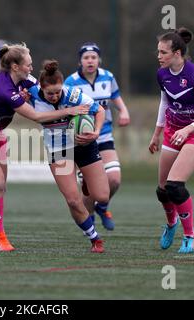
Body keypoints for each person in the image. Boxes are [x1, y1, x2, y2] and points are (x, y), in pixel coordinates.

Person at [0, 43, 90, 252]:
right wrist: (71, 110)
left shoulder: (25, 80)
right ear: (15, 67)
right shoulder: (4, 88)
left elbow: (45, 93)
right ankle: (0, 237)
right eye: (28, 64)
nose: (31, 67)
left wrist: (74, 104)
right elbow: (36, 116)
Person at [149, 27, 194, 254]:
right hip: (173, 131)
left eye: (163, 52)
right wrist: (156, 133)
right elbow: (165, 102)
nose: (158, 56)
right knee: (162, 191)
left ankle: (190, 236)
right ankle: (171, 224)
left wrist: (189, 128)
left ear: (177, 53)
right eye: (158, 52)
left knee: (175, 186)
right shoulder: (162, 74)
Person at [29, 59, 110, 253]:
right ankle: (94, 238)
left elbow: (99, 110)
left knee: (102, 196)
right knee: (73, 200)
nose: (55, 96)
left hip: (84, 145)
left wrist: (97, 131)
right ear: (41, 88)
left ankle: (84, 178)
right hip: (58, 150)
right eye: (50, 93)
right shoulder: (31, 94)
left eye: (58, 92)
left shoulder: (73, 95)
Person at [65, 42, 130, 231]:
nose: (90, 61)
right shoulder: (71, 82)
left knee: (115, 179)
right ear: (80, 61)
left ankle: (102, 207)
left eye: (93, 57)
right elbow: (64, 109)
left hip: (103, 134)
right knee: (88, 184)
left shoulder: (108, 77)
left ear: (98, 59)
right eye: (86, 58)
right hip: (81, 139)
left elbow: (116, 97)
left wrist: (124, 112)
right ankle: (90, 219)